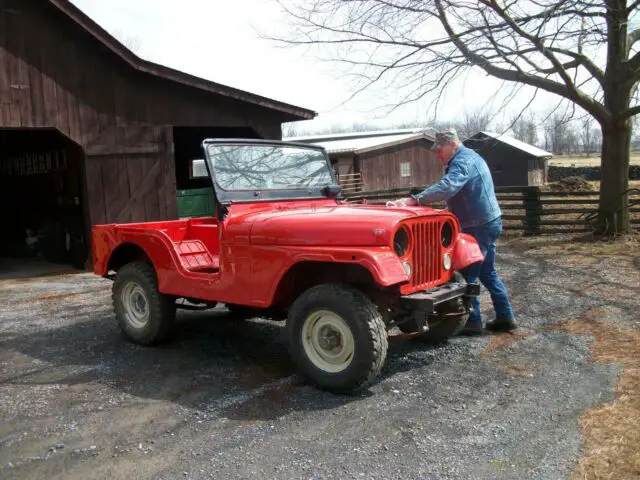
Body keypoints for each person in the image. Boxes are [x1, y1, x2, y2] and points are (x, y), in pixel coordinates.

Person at [387, 128, 517, 334]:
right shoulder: (468, 158)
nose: (437, 154)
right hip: (487, 222)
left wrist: (415, 200)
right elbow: (466, 195)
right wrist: (446, 211)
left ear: (453, 145)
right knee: (488, 272)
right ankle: (505, 317)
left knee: (467, 272)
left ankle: (472, 322)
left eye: (440, 149)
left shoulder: (462, 161)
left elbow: (449, 186)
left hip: (478, 225)